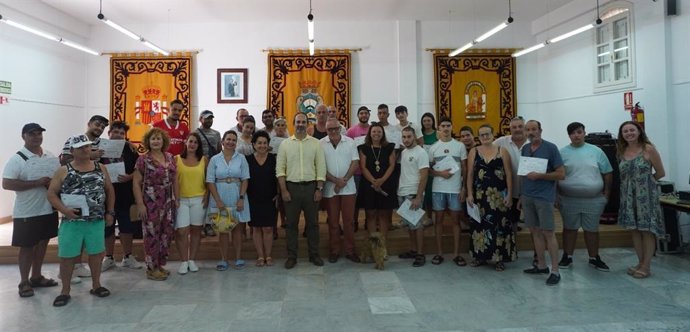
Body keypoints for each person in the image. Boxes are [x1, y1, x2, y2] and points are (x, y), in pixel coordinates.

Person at [47, 134, 115, 307]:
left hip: (95, 220)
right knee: (67, 256)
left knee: (96, 254)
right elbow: (51, 193)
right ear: (72, 151)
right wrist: (65, 211)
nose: (86, 150)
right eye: (81, 147)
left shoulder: (100, 167)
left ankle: (97, 285)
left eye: (87, 146)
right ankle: (65, 291)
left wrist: (110, 212)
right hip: (72, 222)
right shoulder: (64, 170)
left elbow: (109, 190)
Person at [3, 123, 60, 298]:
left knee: (43, 243)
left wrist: (53, 182)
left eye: (39, 134)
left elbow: (57, 179)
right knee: (27, 247)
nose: (37, 137)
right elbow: (7, 183)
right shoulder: (17, 159)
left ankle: (36, 276)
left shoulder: (49, 156)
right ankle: (24, 281)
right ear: (24, 137)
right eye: (32, 134)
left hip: (47, 209)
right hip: (27, 211)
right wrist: (36, 183)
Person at [59, 114, 110, 283]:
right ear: (89, 123)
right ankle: (69, 272)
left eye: (102, 127)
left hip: (94, 203)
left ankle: (82, 269)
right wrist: (91, 155)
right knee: (72, 239)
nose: (99, 128)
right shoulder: (73, 139)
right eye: (97, 124)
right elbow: (64, 159)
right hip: (74, 198)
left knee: (92, 242)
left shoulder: (101, 143)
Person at [557, 122, 613, 272]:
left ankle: (594, 258)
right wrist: (557, 195)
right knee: (569, 229)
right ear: (569, 135)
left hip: (593, 199)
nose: (576, 135)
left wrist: (606, 194)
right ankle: (567, 256)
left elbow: (607, 172)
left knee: (592, 230)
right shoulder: (562, 153)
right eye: (573, 133)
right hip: (568, 199)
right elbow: (556, 175)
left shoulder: (596, 151)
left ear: (584, 133)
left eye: (579, 132)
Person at [277, 112, 326, 269]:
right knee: (291, 224)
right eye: (298, 122)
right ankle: (292, 256)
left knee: (313, 224)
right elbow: (280, 170)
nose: (300, 124)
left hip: (311, 188)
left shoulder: (315, 143)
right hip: (291, 188)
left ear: (307, 124)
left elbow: (321, 167)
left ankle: (314, 255)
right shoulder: (285, 144)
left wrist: (319, 188)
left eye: (303, 122)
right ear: (293, 123)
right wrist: (284, 190)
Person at [617, 121, 665, 279]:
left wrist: (645, 184)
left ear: (639, 131)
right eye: (625, 131)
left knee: (646, 231)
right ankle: (640, 262)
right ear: (622, 135)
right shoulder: (621, 150)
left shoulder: (648, 149)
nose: (629, 133)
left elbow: (660, 172)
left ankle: (646, 266)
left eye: (632, 130)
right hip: (628, 197)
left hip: (646, 198)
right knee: (635, 231)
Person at [520, 120, 565, 286]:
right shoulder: (525, 148)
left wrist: (541, 176)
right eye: (528, 130)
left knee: (548, 232)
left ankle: (555, 270)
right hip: (528, 196)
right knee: (534, 231)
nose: (531, 133)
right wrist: (521, 195)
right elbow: (524, 173)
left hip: (544, 197)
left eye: (534, 129)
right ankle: (541, 265)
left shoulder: (550, 148)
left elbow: (561, 174)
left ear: (540, 130)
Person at [466, 124, 516, 271]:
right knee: (479, 226)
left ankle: (499, 258)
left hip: (499, 197)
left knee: (499, 226)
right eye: (482, 135)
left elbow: (508, 174)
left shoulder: (502, 151)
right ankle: (480, 257)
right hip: (480, 196)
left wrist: (510, 195)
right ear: (478, 137)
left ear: (493, 135)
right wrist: (469, 193)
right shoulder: (474, 152)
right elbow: (469, 174)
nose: (485, 137)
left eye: (487, 134)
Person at [133, 128, 178, 281]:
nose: (156, 141)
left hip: (168, 200)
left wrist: (176, 198)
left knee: (166, 233)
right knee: (152, 234)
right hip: (150, 201)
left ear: (163, 140)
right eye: (153, 139)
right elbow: (136, 183)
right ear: (148, 142)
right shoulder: (143, 160)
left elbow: (175, 179)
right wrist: (140, 204)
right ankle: (151, 268)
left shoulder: (170, 157)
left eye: (159, 138)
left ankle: (159, 264)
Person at [101, 121, 143, 272]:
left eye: (121, 133)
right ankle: (109, 257)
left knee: (127, 227)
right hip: (105, 196)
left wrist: (129, 177)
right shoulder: (100, 149)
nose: (118, 135)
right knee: (108, 227)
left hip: (126, 194)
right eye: (115, 132)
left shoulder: (130, 149)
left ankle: (128, 257)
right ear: (109, 133)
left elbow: (139, 169)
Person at [206, 130, 251, 271]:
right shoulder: (214, 159)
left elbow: (245, 179)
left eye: (233, 140)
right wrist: (217, 200)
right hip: (220, 195)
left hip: (237, 194)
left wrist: (241, 198)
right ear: (222, 141)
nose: (231, 142)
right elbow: (210, 181)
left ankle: (238, 258)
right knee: (223, 229)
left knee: (237, 230)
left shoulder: (241, 158)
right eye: (228, 139)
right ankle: (224, 259)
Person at [428, 117, 467, 266]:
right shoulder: (433, 147)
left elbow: (464, 168)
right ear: (438, 128)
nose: (445, 128)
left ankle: (457, 254)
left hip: (455, 189)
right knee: (438, 221)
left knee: (456, 222)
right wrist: (440, 174)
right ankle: (439, 253)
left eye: (448, 125)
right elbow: (429, 170)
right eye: (443, 126)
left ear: (452, 127)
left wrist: (464, 188)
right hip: (438, 189)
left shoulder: (459, 146)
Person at [321, 118, 360, 263]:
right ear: (326, 130)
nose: (333, 131)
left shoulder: (350, 142)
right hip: (331, 189)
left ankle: (350, 251)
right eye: (330, 129)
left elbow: (355, 162)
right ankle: (334, 251)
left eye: (335, 128)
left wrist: (343, 180)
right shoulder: (321, 144)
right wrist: (335, 181)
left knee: (349, 222)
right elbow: (320, 167)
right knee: (333, 222)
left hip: (348, 188)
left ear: (340, 128)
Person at [357, 123, 398, 251]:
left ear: (383, 134)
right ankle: (374, 246)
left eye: (379, 132)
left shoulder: (389, 147)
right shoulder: (364, 147)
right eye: (374, 131)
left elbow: (392, 165)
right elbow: (363, 167)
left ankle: (382, 245)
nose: (376, 134)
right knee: (371, 213)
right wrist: (374, 181)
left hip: (386, 183)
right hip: (369, 184)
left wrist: (382, 180)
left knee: (384, 214)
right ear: (370, 133)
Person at [396, 127, 430, 267]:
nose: (406, 139)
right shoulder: (403, 152)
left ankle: (420, 254)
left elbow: (424, 175)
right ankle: (413, 250)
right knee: (410, 225)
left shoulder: (421, 152)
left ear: (415, 136)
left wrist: (418, 196)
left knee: (417, 225)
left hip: (413, 193)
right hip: (402, 192)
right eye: (404, 137)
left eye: (409, 136)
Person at [175, 133, 207, 274]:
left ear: (198, 145)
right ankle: (183, 260)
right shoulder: (176, 159)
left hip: (198, 200)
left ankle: (192, 260)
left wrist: (207, 196)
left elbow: (209, 180)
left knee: (196, 231)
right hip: (181, 200)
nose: (192, 144)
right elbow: (174, 180)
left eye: (195, 142)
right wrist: (175, 198)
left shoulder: (204, 160)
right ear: (186, 143)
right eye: (190, 141)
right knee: (182, 231)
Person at [247, 131, 278, 267]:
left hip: (270, 198)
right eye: (259, 143)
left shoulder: (273, 158)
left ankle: (269, 255)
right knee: (256, 228)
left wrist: (278, 193)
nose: (262, 145)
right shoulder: (247, 159)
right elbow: (244, 180)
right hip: (252, 198)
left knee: (268, 228)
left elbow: (279, 177)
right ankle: (260, 256)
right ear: (253, 144)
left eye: (265, 143)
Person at [494, 117, 528, 234]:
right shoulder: (501, 142)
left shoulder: (532, 142)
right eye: (514, 127)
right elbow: (488, 150)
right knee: (511, 221)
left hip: (529, 191)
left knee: (534, 225)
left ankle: (537, 251)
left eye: (520, 126)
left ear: (525, 127)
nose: (517, 129)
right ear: (510, 129)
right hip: (510, 190)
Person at [196, 110, 220, 237]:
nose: (209, 120)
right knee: (200, 196)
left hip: (213, 168)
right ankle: (199, 225)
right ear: (201, 119)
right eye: (207, 118)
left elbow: (219, 150)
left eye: (211, 118)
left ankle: (209, 224)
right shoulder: (195, 133)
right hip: (199, 168)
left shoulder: (216, 134)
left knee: (211, 197)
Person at [346, 106, 371, 231]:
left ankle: (369, 221)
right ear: (358, 115)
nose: (364, 115)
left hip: (370, 170)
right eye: (361, 113)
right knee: (354, 199)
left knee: (368, 198)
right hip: (356, 171)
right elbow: (347, 150)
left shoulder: (373, 129)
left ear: (369, 115)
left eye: (366, 113)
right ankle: (354, 222)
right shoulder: (351, 131)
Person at [421, 112, 438, 225]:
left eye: (429, 120)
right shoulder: (420, 134)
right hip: (422, 168)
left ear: (433, 121)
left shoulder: (438, 134)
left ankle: (433, 217)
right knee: (423, 193)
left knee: (432, 193)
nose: (427, 123)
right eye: (424, 121)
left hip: (435, 167)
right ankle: (424, 218)